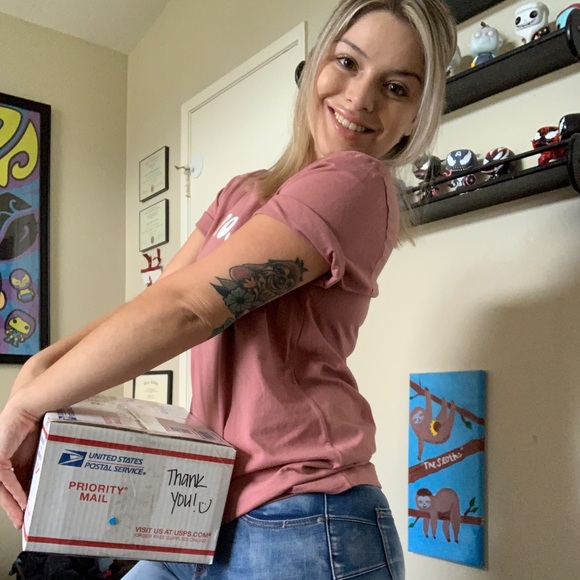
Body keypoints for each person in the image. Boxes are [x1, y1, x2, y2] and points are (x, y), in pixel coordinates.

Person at [0, 0, 456, 578]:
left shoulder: (357, 181)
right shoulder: (245, 191)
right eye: (347, 62)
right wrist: (38, 369)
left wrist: (30, 403)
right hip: (204, 504)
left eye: (395, 88)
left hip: (306, 516)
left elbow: (191, 309)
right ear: (317, 63)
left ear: (415, 118)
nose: (361, 97)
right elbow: (159, 299)